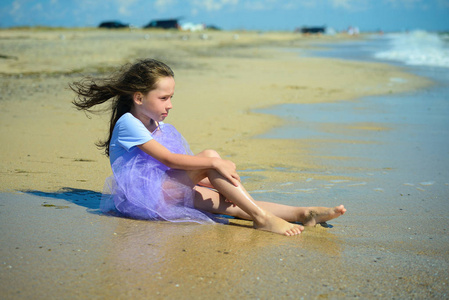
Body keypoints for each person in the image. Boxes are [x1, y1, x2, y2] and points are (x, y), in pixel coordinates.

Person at [70, 59, 346, 236]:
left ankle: (303, 213)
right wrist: (213, 165)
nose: (170, 105)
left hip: (165, 188)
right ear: (139, 97)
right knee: (211, 156)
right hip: (147, 197)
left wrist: (216, 180)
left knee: (232, 204)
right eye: (164, 97)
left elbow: (176, 165)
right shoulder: (129, 123)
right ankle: (262, 219)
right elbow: (170, 159)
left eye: (172, 97)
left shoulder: (156, 122)